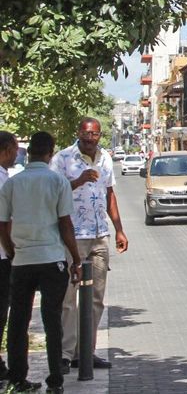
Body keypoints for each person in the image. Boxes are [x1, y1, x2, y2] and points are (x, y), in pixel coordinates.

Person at [0, 131, 82, 394]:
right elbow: (65, 223)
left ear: (29, 151)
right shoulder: (57, 181)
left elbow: (2, 224)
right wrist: (76, 259)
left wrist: (12, 250)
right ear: (50, 152)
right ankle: (55, 381)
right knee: (52, 320)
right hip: (52, 259)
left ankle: (17, 378)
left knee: (18, 322)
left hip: (22, 260)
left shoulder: (12, 183)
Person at [49, 118, 128, 371]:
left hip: (99, 235)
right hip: (72, 236)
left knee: (96, 298)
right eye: (86, 133)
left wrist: (119, 230)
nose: (90, 138)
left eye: (94, 134)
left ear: (100, 135)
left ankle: (86, 352)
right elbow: (53, 194)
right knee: (68, 297)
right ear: (78, 133)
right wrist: (79, 181)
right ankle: (65, 353)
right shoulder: (62, 159)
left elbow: (110, 194)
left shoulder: (105, 158)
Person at [0, 131, 17, 380]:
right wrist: (12, 251)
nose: (16, 153)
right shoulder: (4, 181)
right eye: (14, 149)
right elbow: (3, 222)